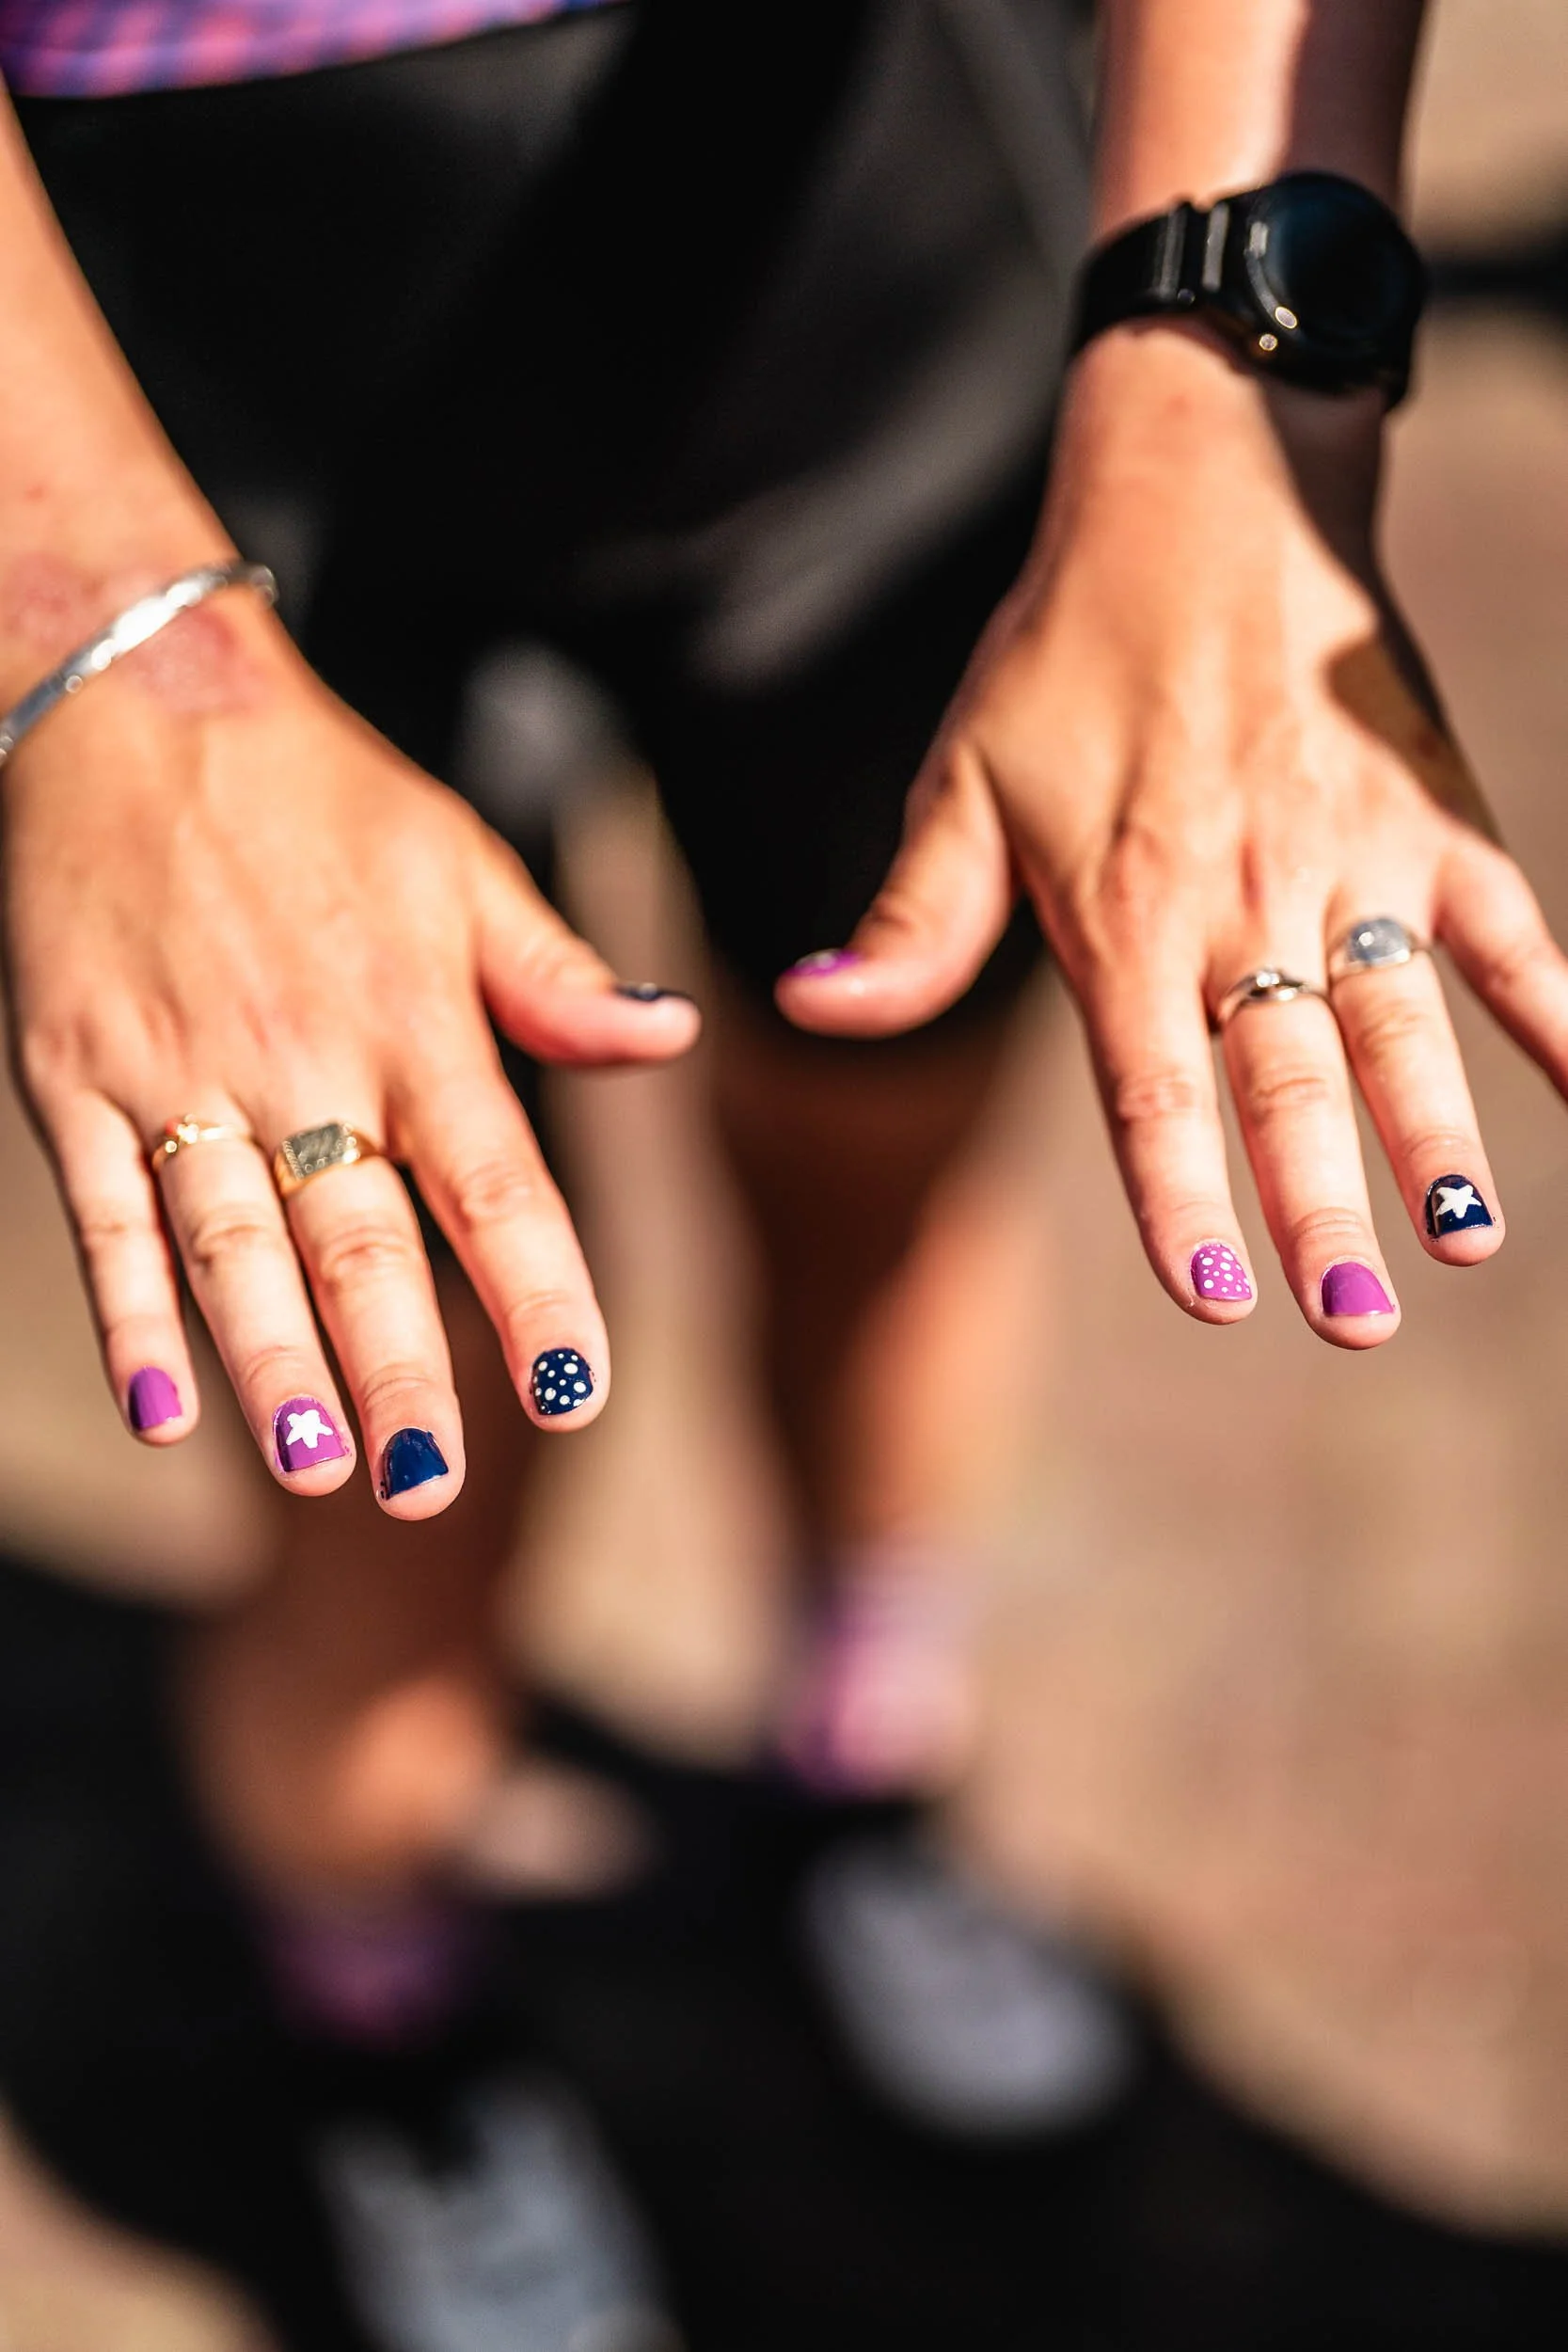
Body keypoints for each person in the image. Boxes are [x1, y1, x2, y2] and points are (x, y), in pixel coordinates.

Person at [1, 0, 1563, 2331]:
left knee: (890, 1196)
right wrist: (73, 633)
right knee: (389, 1450)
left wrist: (1222, 377)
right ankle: (392, 2019)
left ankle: (859, 1777)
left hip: (871, 221)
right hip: (158, 322)